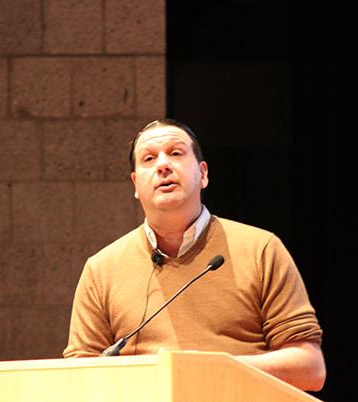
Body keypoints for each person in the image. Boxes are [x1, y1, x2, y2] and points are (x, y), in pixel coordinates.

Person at [63, 119, 326, 391]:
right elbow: (77, 379)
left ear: (203, 174)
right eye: (149, 159)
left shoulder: (261, 249)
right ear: (135, 184)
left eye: (176, 153)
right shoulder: (102, 269)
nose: (163, 165)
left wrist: (213, 368)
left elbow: (310, 368)